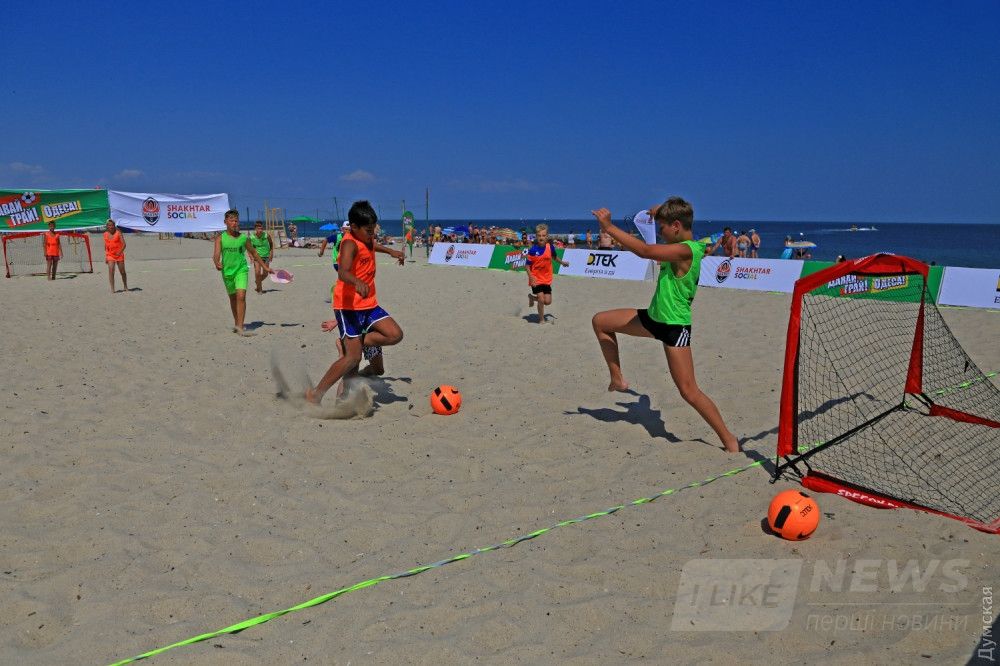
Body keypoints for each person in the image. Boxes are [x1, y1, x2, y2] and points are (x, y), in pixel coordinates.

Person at [590, 197, 740, 453]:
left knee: (689, 391)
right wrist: (659, 211)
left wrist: (609, 227)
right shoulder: (678, 239)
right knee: (601, 322)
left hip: (674, 327)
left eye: (662, 228)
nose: (659, 232)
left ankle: (730, 441)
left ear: (676, 226)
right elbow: (672, 216)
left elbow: (646, 252)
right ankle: (617, 379)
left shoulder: (687, 250)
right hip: (652, 318)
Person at [307, 201, 405, 404]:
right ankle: (315, 394)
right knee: (353, 358)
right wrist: (356, 281)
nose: (372, 234)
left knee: (395, 334)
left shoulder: (365, 237)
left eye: (374, 229)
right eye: (369, 230)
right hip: (348, 307)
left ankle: (351, 343)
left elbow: (371, 245)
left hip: (369, 304)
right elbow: (343, 272)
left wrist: (391, 252)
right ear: (353, 227)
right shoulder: (349, 243)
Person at [213, 209, 273, 336]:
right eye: (231, 220)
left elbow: (254, 253)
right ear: (225, 222)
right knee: (233, 298)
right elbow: (216, 254)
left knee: (241, 296)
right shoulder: (220, 238)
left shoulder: (243, 238)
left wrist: (265, 267)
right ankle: (237, 323)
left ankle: (240, 327)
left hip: (241, 270)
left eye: (236, 221)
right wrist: (217, 262)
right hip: (227, 272)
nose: (234, 223)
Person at [521, 223, 569, 324]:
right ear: (536, 236)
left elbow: (554, 257)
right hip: (536, 278)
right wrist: (531, 277)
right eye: (539, 235)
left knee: (548, 301)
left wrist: (562, 263)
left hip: (546, 278)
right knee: (541, 299)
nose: (541, 237)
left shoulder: (550, 247)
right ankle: (541, 319)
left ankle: (531, 298)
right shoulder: (533, 250)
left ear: (547, 236)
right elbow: (527, 266)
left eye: (543, 235)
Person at [103, 219, 128, 293]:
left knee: (122, 271)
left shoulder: (118, 233)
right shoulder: (105, 234)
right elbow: (106, 246)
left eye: (112, 225)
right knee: (111, 270)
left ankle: (125, 286)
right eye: (109, 225)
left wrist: (119, 252)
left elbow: (124, 244)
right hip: (110, 255)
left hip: (119, 254)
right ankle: (112, 289)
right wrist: (106, 256)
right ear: (107, 226)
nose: (111, 227)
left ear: (114, 226)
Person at [249, 221, 274, 294]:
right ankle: (260, 289)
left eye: (261, 228)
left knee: (265, 274)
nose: (260, 230)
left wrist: (271, 253)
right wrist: (251, 257)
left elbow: (271, 244)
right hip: (257, 257)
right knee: (257, 272)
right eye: (258, 228)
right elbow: (249, 248)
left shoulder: (266, 235)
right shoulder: (251, 237)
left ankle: (257, 282)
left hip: (266, 256)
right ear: (255, 229)